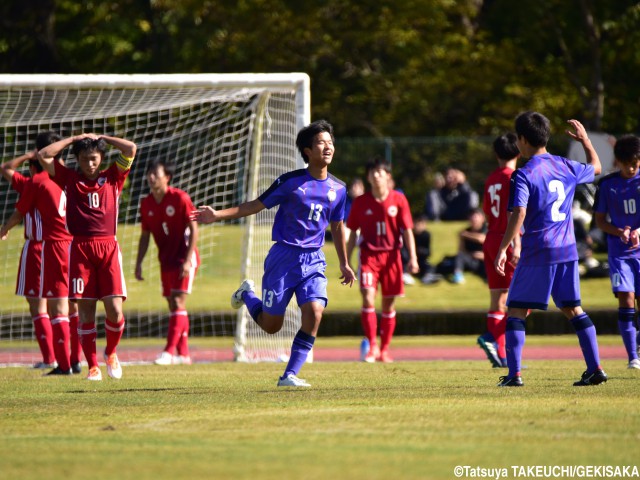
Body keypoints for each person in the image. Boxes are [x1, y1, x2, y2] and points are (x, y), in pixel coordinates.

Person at [191, 120, 356, 387]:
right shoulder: (290, 182)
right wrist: (216, 215)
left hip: (313, 259)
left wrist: (345, 263)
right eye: (321, 143)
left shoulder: (339, 189)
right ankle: (247, 294)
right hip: (283, 258)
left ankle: (289, 375)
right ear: (307, 151)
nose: (328, 147)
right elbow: (256, 205)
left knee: (315, 312)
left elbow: (337, 227)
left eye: (330, 142)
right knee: (271, 325)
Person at [495, 111, 607, 387]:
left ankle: (514, 375)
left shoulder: (523, 174)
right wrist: (585, 141)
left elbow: (518, 214)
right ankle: (595, 368)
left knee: (517, 310)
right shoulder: (565, 166)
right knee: (573, 308)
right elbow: (596, 167)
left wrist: (503, 247)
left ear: (522, 139)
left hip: (538, 250)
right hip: (567, 249)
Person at [38, 133, 137, 381]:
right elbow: (44, 155)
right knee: (86, 311)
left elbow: (131, 148)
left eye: (93, 159)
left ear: (101, 158)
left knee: (115, 310)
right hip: (80, 249)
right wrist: (74, 139)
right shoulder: (69, 178)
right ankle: (92, 366)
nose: (89, 164)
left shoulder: (114, 176)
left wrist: (103, 137)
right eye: (84, 159)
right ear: (78, 160)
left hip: (108, 248)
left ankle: (111, 353)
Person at [2, 132, 83, 375]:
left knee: (44, 307)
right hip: (74, 245)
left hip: (47, 247)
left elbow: (18, 212)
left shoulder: (35, 182)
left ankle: (58, 361)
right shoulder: (72, 178)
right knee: (73, 306)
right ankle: (75, 360)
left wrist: (3, 230)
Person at [346, 157, 419, 363]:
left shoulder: (399, 200)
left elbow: (407, 231)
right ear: (368, 177)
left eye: (380, 172)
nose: (376, 175)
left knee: (388, 305)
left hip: (392, 258)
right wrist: (347, 261)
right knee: (368, 297)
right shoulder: (360, 202)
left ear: (388, 176)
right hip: (369, 256)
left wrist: (413, 258)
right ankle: (371, 346)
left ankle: (385, 350)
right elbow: (352, 233)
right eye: (372, 172)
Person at [135, 159, 200, 366]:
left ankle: (169, 352)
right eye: (149, 173)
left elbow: (194, 228)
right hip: (166, 259)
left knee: (179, 301)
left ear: (167, 177)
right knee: (173, 304)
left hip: (184, 258)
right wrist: (139, 262)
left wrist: (188, 260)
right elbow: (145, 235)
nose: (151, 177)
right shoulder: (146, 203)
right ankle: (184, 354)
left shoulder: (180, 198)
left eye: (156, 173)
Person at [1, 141, 56, 370]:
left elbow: (5, 168)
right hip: (60, 247)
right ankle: (67, 358)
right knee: (60, 306)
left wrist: (27, 155)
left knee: (38, 306)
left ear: (33, 167)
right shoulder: (60, 182)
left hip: (37, 248)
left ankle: (50, 358)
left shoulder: (30, 184)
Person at [593, 134, 640, 369]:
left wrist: (638, 231)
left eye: (635, 163)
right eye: (627, 164)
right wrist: (618, 231)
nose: (631, 168)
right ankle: (633, 356)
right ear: (618, 162)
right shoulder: (608, 185)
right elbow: (600, 221)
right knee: (626, 298)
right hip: (619, 253)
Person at [476, 133, 519, 368]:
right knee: (525, 298)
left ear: (496, 154)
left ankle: (501, 353)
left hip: (491, 238)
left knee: (497, 298)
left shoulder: (491, 178)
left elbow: (486, 208)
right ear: (519, 151)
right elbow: (514, 211)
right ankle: (492, 338)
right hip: (508, 239)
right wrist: (517, 243)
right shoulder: (514, 177)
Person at [451, 207, 487, 284]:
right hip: (471, 259)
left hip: (484, 260)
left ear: (482, 218)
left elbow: (481, 239)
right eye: (472, 217)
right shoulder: (466, 231)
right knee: (460, 256)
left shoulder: (486, 229)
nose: (474, 219)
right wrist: (472, 255)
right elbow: (461, 250)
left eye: (476, 217)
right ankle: (457, 275)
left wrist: (465, 234)